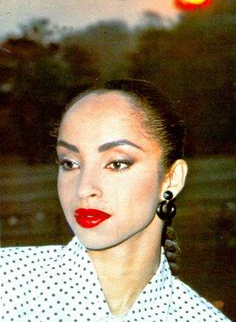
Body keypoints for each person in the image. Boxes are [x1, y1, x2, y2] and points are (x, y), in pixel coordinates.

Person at [0, 79, 230, 321]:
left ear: (171, 179)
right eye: (70, 163)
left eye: (117, 163)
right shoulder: (8, 284)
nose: (84, 188)